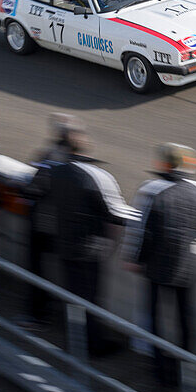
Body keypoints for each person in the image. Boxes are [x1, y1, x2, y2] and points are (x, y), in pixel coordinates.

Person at [122, 143, 196, 385]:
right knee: (186, 318)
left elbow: (139, 229)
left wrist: (133, 257)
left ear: (162, 164)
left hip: (156, 265)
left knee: (154, 315)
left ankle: (161, 371)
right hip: (188, 264)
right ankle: (187, 368)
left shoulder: (150, 189)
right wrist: (195, 233)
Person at [50, 132, 136, 356]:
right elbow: (116, 213)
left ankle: (76, 340)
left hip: (65, 242)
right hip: (90, 247)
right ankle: (92, 346)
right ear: (88, 149)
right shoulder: (97, 175)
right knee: (91, 298)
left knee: (73, 295)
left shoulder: (56, 171)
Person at [23, 113, 84, 323]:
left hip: (44, 223)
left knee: (36, 268)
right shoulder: (80, 161)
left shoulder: (51, 156)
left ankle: (37, 313)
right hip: (69, 225)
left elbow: (34, 188)